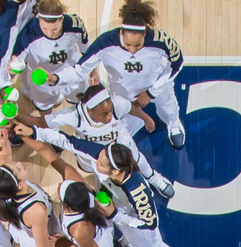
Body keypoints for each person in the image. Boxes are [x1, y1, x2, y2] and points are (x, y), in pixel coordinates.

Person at [25, 126, 197, 247]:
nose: (95, 161)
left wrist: (115, 215)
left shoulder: (137, 189)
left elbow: (150, 224)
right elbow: (68, 141)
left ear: (114, 171)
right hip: (112, 209)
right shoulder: (104, 154)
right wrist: (35, 131)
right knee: (119, 234)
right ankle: (126, 242)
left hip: (132, 219)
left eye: (100, 163)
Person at [18, 129, 141, 247]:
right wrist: (25, 135)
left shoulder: (79, 229)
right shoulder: (80, 186)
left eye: (61, 188)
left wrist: (66, 245)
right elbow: (48, 153)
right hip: (101, 233)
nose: (60, 185)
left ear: (67, 205)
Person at [15, 83, 174, 198]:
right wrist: (14, 115)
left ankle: (152, 177)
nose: (109, 116)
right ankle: (105, 190)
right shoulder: (73, 115)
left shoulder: (116, 103)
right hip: (92, 152)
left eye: (110, 111)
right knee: (100, 177)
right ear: (90, 111)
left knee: (137, 159)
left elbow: (130, 108)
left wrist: (146, 118)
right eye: (104, 114)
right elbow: (40, 122)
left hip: (119, 143)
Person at [75, 0, 187, 148]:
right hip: (124, 91)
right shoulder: (105, 42)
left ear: (145, 34)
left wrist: (151, 93)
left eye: (138, 45)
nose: (132, 50)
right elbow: (82, 66)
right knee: (124, 123)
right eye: (128, 44)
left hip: (156, 85)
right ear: (121, 32)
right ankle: (123, 140)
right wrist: (57, 78)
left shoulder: (161, 41)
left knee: (169, 107)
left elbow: (177, 63)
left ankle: (173, 124)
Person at [8, 0, 89, 112]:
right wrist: (11, 71)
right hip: (42, 81)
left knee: (80, 99)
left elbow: (87, 51)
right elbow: (16, 61)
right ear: (39, 19)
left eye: (55, 29)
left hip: (71, 75)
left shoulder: (75, 25)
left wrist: (93, 71)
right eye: (45, 29)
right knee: (44, 108)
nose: (50, 34)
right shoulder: (29, 34)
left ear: (62, 18)